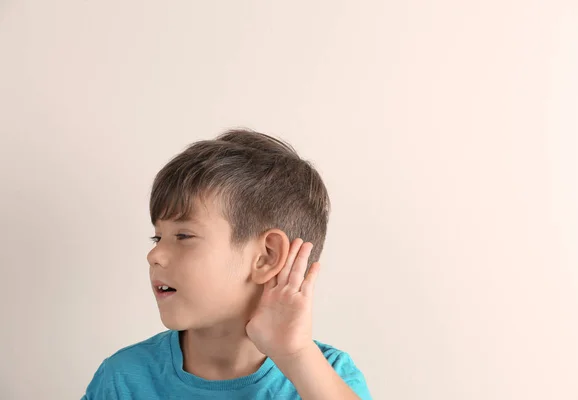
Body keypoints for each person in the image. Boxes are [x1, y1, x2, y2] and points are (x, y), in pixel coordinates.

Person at [82, 128, 372, 399]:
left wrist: (295, 356)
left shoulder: (325, 376)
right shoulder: (123, 379)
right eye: (157, 238)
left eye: (183, 235)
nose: (154, 255)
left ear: (266, 256)